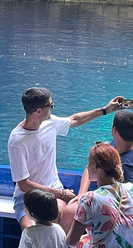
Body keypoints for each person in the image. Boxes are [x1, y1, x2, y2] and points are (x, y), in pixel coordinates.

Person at [8, 87, 124, 231]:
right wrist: (62, 194)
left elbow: (74, 119)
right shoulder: (17, 141)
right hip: (28, 198)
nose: (52, 108)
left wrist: (105, 110)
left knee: (62, 219)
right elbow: (23, 184)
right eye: (50, 106)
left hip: (53, 192)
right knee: (33, 230)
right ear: (38, 111)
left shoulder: (49, 123)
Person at [66, 143, 133, 248]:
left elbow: (71, 241)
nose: (87, 167)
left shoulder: (90, 199)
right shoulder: (132, 189)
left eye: (88, 163)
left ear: (96, 167)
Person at [74, 110, 133, 208]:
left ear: (114, 130)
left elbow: (131, 202)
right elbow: (90, 167)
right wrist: (81, 194)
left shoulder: (126, 166)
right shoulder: (115, 145)